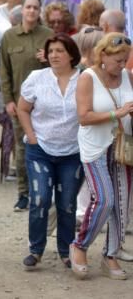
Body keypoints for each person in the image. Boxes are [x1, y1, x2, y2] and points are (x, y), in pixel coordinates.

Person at [16, 33, 83, 271]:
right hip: (40, 149)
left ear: (72, 55)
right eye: (51, 50)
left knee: (66, 203)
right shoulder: (37, 78)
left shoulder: (84, 79)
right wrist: (32, 137)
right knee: (41, 198)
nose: (53, 55)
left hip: (73, 152)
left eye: (59, 51)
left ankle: (66, 251)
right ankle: (35, 250)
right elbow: (22, 109)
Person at [71, 32, 133, 280]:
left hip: (123, 148)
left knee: (122, 204)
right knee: (105, 199)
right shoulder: (88, 78)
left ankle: (111, 254)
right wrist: (115, 114)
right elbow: (83, 117)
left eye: (126, 59)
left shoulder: (128, 77)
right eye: (118, 59)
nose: (122, 64)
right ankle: (80, 245)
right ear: (103, 55)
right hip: (95, 147)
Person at [1, 0, 54, 212]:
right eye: (28, 7)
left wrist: (49, 59)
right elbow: (4, 70)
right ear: (22, 10)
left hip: (46, 104)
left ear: (40, 11)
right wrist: (8, 100)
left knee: (46, 146)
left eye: (35, 7)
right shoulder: (9, 36)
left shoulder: (49, 35)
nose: (31, 11)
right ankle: (23, 193)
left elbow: (63, 65)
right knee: (22, 149)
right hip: (20, 103)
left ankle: (43, 193)